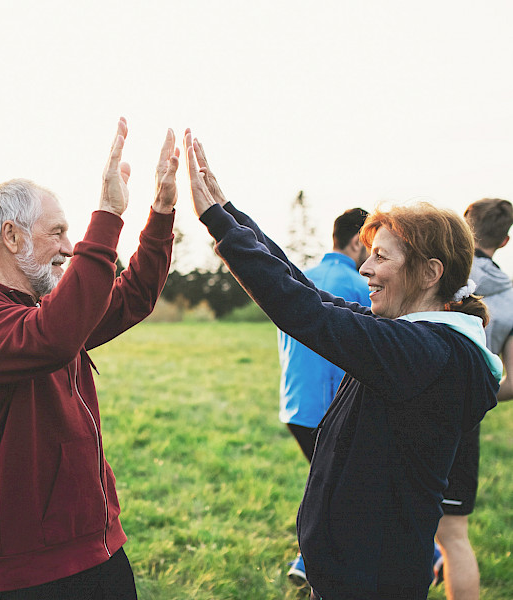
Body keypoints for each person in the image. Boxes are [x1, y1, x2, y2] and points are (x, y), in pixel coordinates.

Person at [184, 130, 499, 600]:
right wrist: (228, 215)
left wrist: (217, 222)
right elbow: (310, 295)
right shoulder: (412, 341)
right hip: (353, 572)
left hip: (369, 581)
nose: (365, 270)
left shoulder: (424, 353)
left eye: (381, 257)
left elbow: (303, 312)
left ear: (430, 273)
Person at [0, 119, 178, 599]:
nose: (69, 247)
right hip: (33, 571)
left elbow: (132, 297)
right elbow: (54, 336)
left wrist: (161, 211)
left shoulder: (46, 310)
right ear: (12, 236)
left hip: (101, 546)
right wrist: (107, 213)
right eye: (58, 233)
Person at [279, 207, 371, 584]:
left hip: (295, 404)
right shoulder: (360, 284)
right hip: (332, 408)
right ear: (355, 242)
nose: (374, 259)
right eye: (374, 247)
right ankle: (311, 562)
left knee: (331, 485)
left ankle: (308, 562)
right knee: (348, 489)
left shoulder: (301, 277)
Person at [432, 198, 513, 600]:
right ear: (507, 238)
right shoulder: (512, 297)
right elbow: (511, 381)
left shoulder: (441, 271)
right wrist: (474, 389)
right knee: (453, 536)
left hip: (410, 407)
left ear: (464, 227)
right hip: (464, 422)